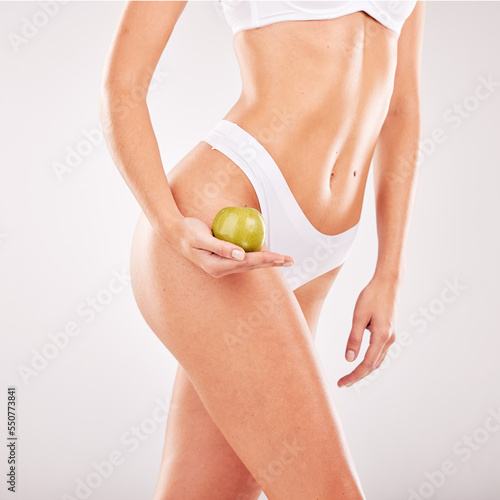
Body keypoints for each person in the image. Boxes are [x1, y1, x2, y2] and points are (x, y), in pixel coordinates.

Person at [98, 1, 426, 498]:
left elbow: (402, 109)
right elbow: (121, 88)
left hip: (321, 255)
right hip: (222, 224)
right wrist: (170, 224)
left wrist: (389, 273)